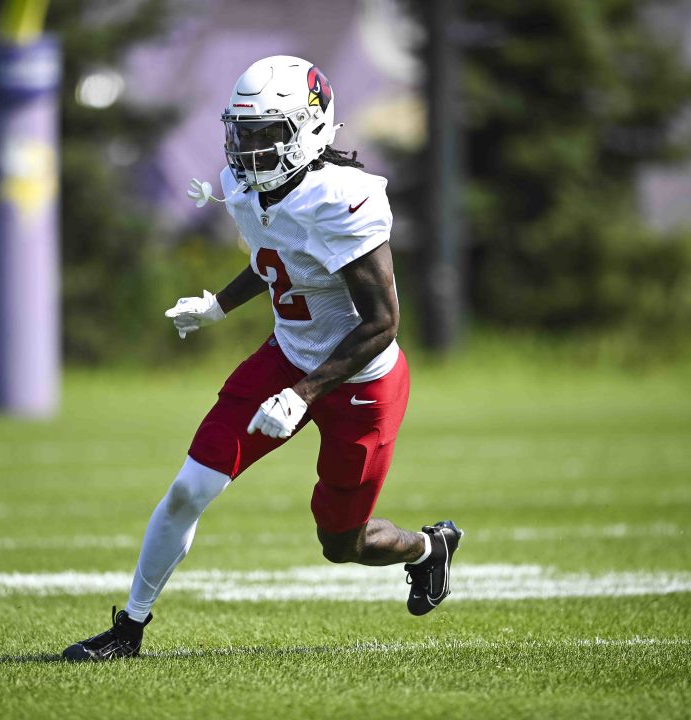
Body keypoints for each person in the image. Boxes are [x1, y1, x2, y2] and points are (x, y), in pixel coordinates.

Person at [63, 55, 463, 662]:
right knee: (187, 490)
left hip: (360, 382)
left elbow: (382, 323)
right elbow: (275, 254)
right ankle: (129, 630)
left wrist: (304, 393)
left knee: (342, 542)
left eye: (267, 133)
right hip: (284, 356)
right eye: (242, 131)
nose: (249, 148)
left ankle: (428, 548)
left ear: (310, 127)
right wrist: (218, 306)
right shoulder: (250, 186)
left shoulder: (342, 199)